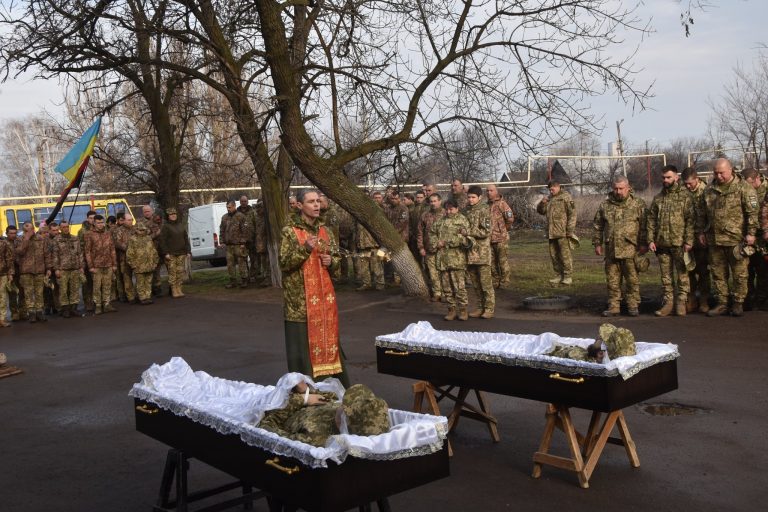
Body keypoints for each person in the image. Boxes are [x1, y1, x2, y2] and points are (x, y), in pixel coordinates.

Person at [279, 189, 350, 386]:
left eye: (318, 201)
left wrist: (331, 261)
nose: (317, 205)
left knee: (328, 344)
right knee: (303, 350)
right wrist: (305, 249)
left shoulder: (325, 231)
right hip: (300, 304)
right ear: (300, 205)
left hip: (324, 303)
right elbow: (284, 263)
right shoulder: (290, 231)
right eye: (311, 201)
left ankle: (334, 386)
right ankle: (307, 391)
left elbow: (336, 260)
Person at [695, 158, 759, 317]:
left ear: (731, 170)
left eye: (721, 172)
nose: (719, 176)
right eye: (716, 173)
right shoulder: (709, 189)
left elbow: (752, 213)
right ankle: (722, 303)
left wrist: (751, 233)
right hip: (715, 239)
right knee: (718, 274)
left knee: (740, 274)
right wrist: (701, 232)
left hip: (737, 240)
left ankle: (738, 303)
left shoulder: (744, 188)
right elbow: (702, 213)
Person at [258, 382, 390, 447]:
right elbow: (329, 399)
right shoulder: (350, 414)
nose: (342, 404)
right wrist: (307, 391)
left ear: (344, 419)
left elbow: (267, 428)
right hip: (288, 397)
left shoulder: (315, 437)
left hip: (267, 408)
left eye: (344, 406)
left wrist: (301, 400)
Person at [592, 176, 648, 317]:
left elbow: (644, 226)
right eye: (616, 188)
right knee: (612, 281)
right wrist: (597, 243)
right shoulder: (605, 205)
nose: (618, 191)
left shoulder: (638, 204)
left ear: (628, 188)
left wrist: (643, 244)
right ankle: (614, 306)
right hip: (612, 250)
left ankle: (633, 305)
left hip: (631, 250)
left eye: (621, 188)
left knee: (632, 280)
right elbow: (598, 226)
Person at [646, 165, 695, 317]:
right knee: (666, 276)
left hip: (679, 244)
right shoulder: (658, 198)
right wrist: (650, 239)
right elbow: (651, 220)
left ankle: (681, 302)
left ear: (676, 177)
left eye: (668, 177)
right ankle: (668, 303)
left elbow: (690, 220)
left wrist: (688, 240)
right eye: (663, 177)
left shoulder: (685, 196)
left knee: (682, 275)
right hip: (662, 244)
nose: (665, 180)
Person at [430, 199, 472, 321]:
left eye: (451, 209)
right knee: (447, 288)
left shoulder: (462, 220)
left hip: (457, 259)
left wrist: (447, 242)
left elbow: (465, 237)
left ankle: (463, 310)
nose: (449, 211)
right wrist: (436, 243)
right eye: (447, 209)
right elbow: (432, 234)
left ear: (457, 209)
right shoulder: (440, 222)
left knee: (460, 287)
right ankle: (451, 310)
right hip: (443, 259)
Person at [463, 186, 495, 319]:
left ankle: (489, 308)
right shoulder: (465, 211)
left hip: (481, 252)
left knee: (485, 282)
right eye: (469, 197)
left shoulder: (484, 210)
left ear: (479, 197)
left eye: (473, 197)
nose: (470, 200)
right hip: (469, 252)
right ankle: (480, 307)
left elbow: (486, 231)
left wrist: (469, 232)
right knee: (475, 283)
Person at [537, 180, 577, 286]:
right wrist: (542, 203)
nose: (551, 191)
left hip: (562, 232)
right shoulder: (549, 198)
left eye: (552, 188)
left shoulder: (566, 197)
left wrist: (570, 230)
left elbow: (572, 214)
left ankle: (567, 276)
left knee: (565, 255)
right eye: (549, 189)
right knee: (554, 256)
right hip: (551, 232)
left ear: (558, 186)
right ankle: (558, 275)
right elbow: (541, 211)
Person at [682, 167, 710, 313]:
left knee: (703, 270)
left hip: (703, 239)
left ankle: (704, 299)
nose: (687, 186)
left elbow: (711, 216)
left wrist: (704, 232)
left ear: (697, 179)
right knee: (689, 271)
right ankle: (692, 299)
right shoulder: (683, 193)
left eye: (690, 183)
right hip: (687, 238)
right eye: (685, 183)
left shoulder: (707, 191)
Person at [15, 222, 53, 322]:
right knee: (28, 293)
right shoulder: (19, 239)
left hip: (40, 270)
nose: (30, 231)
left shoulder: (41, 239)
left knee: (39, 293)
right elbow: (19, 252)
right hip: (26, 271)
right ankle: (31, 313)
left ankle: (39, 312)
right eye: (27, 230)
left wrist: (48, 268)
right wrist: (26, 239)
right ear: (24, 231)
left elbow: (47, 254)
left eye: (31, 229)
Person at [742, 168, 768, 309]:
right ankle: (749, 298)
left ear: (758, 178)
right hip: (748, 236)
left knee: (763, 270)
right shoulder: (743, 190)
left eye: (750, 183)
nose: (748, 187)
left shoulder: (766, 189)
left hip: (763, 237)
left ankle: (762, 300)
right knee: (747, 269)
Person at [84, 215, 118, 315]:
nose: (100, 224)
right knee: (97, 287)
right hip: (96, 266)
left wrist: (114, 264)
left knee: (108, 285)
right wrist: (91, 266)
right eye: (98, 223)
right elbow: (87, 252)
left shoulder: (108, 234)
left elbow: (112, 249)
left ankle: (107, 304)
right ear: (94, 223)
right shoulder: (89, 234)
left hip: (108, 264)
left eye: (102, 222)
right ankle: (98, 305)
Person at [51, 221, 84, 318]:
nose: (66, 228)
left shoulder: (75, 238)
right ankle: (65, 309)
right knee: (63, 290)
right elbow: (55, 255)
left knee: (75, 289)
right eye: (64, 227)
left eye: (67, 227)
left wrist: (81, 266)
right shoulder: (57, 240)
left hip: (75, 268)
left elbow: (80, 254)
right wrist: (56, 269)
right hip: (63, 269)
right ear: (60, 229)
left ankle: (74, 308)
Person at [354, 192, 385, 291]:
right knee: (364, 266)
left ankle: (380, 284)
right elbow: (356, 228)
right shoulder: (358, 211)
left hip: (373, 244)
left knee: (376, 265)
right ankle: (366, 283)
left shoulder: (376, 210)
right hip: (362, 244)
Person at [417, 193, 445, 301]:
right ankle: (437, 293)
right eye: (431, 201)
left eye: (435, 201)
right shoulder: (425, 215)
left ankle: (446, 293)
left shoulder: (445, 213)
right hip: (429, 248)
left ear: (440, 201)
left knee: (444, 272)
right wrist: (421, 247)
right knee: (432, 272)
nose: (433, 203)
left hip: (443, 249)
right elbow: (419, 232)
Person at [158, 207, 190, 298]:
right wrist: (166, 253)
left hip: (181, 253)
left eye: (174, 214)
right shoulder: (166, 227)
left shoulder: (180, 225)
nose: (173, 216)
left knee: (180, 272)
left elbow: (185, 238)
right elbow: (162, 241)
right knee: (173, 273)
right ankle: (174, 290)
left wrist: (188, 251)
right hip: (171, 254)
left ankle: (179, 288)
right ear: (168, 216)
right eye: (171, 215)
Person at [486, 184, 514, 288]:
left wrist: (503, 230)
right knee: (492, 263)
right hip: (489, 239)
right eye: (487, 191)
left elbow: (510, 219)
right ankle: (495, 280)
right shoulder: (486, 205)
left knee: (502, 262)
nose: (489, 192)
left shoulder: (502, 204)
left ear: (496, 191)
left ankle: (504, 281)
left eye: (491, 190)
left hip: (501, 239)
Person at [219, 200, 251, 288]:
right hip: (229, 245)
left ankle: (244, 280)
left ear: (234, 206)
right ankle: (233, 281)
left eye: (229, 207)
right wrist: (221, 241)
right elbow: (221, 230)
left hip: (239, 244)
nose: (228, 209)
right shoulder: (224, 217)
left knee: (241, 262)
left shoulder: (240, 216)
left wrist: (243, 242)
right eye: (227, 207)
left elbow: (245, 230)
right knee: (230, 264)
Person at [127, 223, 160, 304]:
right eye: (139, 230)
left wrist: (155, 262)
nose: (141, 232)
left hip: (149, 264)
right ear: (136, 230)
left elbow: (153, 250)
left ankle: (148, 296)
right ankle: (142, 298)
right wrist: (133, 264)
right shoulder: (132, 239)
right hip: (139, 265)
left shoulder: (148, 238)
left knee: (148, 282)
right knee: (140, 283)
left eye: (143, 230)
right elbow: (129, 253)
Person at [112, 212, 137, 304]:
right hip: (124, 259)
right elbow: (117, 243)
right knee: (127, 277)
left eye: (131, 220)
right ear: (124, 221)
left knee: (138, 276)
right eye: (129, 220)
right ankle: (130, 297)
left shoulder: (135, 229)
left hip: (136, 258)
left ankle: (139, 294)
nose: (131, 222)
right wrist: (129, 249)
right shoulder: (119, 230)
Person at [78, 210, 97, 313]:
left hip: (97, 260)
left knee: (96, 282)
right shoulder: (82, 231)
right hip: (86, 260)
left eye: (94, 218)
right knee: (86, 283)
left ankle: (96, 302)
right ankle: (88, 303)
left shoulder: (99, 229)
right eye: (90, 218)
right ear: (87, 219)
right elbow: (80, 247)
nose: (92, 220)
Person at [237, 195, 260, 284]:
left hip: (252, 240)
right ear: (240, 202)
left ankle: (253, 275)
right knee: (243, 260)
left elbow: (256, 224)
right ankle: (245, 278)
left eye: (245, 201)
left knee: (254, 259)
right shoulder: (237, 213)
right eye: (242, 201)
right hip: (242, 241)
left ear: (247, 201)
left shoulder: (252, 211)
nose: (244, 203)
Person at [5, 226, 25, 321]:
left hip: (20, 270)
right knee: (12, 293)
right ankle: (14, 313)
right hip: (9, 271)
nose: (13, 235)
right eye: (11, 233)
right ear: (7, 233)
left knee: (22, 291)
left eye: (14, 233)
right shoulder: (4, 243)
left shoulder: (19, 241)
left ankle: (23, 312)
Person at [0, 232, 14, 327]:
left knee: (3, 297)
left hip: (3, 274)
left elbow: (9, 259)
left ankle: (2, 319)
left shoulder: (3, 243)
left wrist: (10, 273)